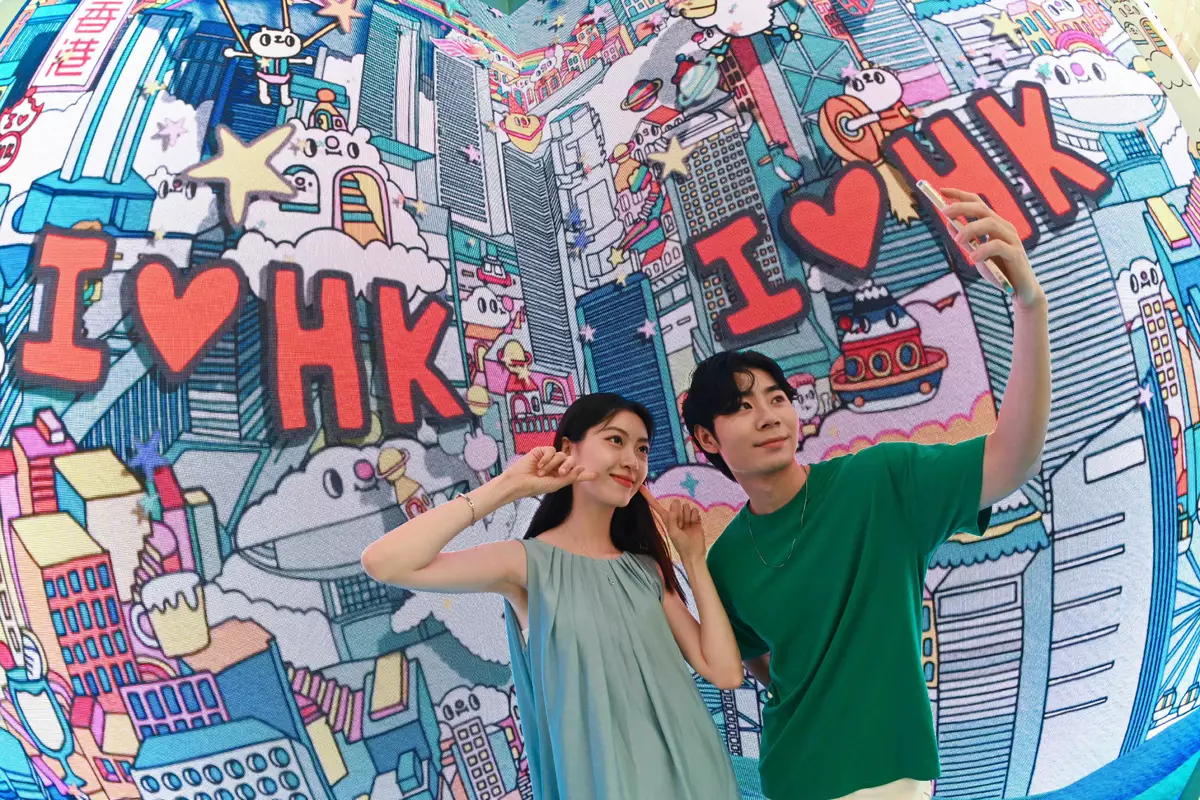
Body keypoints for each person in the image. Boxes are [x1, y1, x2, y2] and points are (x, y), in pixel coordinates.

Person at [683, 189, 1051, 800]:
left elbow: (1010, 459)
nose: (769, 415)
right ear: (706, 437)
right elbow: (763, 667)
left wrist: (1030, 306)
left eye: (777, 398)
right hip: (792, 779)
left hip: (890, 773)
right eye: (741, 407)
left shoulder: (879, 481)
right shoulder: (726, 561)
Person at [361, 393, 745, 800]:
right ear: (567, 448)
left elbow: (725, 673)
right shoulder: (527, 564)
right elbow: (385, 562)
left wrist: (692, 559)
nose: (633, 461)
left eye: (642, 449)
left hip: (699, 779)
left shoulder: (645, 570)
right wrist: (509, 485)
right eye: (615, 440)